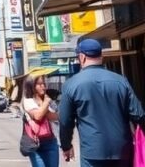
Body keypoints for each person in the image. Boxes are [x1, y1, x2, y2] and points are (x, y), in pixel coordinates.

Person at [58, 38, 145, 167]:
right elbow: (139, 114)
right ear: (101, 56)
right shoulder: (121, 81)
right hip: (122, 150)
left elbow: (65, 121)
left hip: (92, 152)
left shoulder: (71, 85)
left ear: (82, 57)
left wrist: (66, 146)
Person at [22, 74, 58, 167]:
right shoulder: (28, 100)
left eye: (44, 84)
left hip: (51, 142)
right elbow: (38, 116)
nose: (43, 86)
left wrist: (44, 105)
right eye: (39, 84)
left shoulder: (48, 99)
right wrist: (45, 103)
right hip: (35, 143)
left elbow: (55, 116)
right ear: (31, 86)